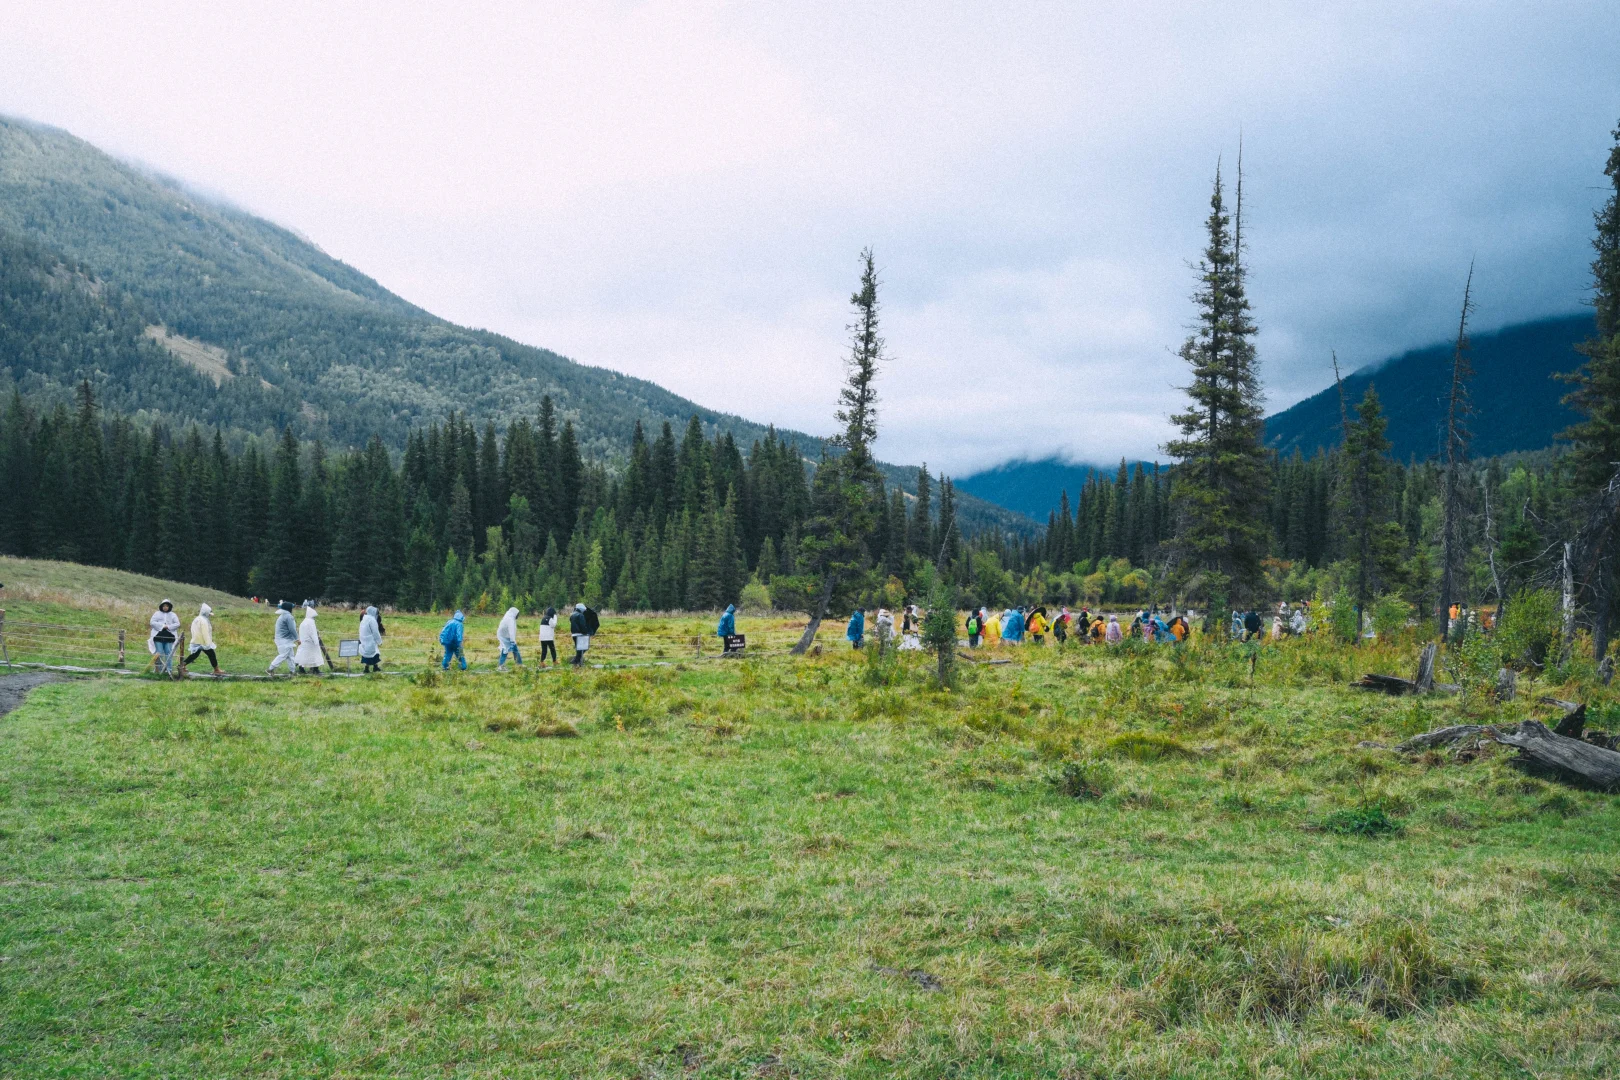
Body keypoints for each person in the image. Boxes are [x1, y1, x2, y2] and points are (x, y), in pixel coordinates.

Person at [184, 603, 222, 676]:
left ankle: (182, 665)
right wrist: (208, 644)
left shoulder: (196, 619)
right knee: (212, 654)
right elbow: (205, 633)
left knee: (194, 655)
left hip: (196, 640)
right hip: (203, 642)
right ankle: (216, 669)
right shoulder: (203, 621)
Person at [148, 599, 180, 675]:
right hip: (158, 636)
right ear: (161, 606)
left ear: (169, 607)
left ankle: (169, 670)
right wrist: (162, 626)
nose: (165, 607)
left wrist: (168, 626)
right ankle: (159, 669)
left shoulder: (173, 615)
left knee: (168, 652)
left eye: (167, 606)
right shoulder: (157, 614)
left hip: (169, 636)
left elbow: (177, 624)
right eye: (164, 606)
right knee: (159, 652)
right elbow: (152, 622)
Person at [267, 600, 298, 674]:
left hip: (282, 639)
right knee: (283, 655)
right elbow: (292, 629)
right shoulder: (288, 616)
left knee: (290, 656)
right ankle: (270, 668)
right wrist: (297, 638)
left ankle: (293, 671)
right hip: (284, 640)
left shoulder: (282, 616)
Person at [295, 604, 325, 673]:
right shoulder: (311, 622)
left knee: (303, 656)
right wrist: (316, 641)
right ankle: (315, 669)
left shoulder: (303, 622)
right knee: (315, 655)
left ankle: (301, 669)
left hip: (303, 642)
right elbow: (313, 633)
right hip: (310, 643)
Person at [358, 606, 383, 673]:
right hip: (370, 640)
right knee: (374, 653)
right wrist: (379, 641)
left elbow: (360, 629)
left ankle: (373, 667)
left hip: (364, 639)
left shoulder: (364, 618)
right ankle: (370, 668)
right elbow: (375, 632)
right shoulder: (372, 620)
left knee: (369, 654)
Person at [497, 606, 523, 670]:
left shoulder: (509, 617)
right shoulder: (510, 619)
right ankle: (501, 665)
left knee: (515, 650)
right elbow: (511, 631)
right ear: (514, 613)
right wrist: (512, 641)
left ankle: (519, 664)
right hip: (504, 637)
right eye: (517, 614)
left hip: (506, 636)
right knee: (505, 650)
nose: (518, 616)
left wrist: (512, 641)